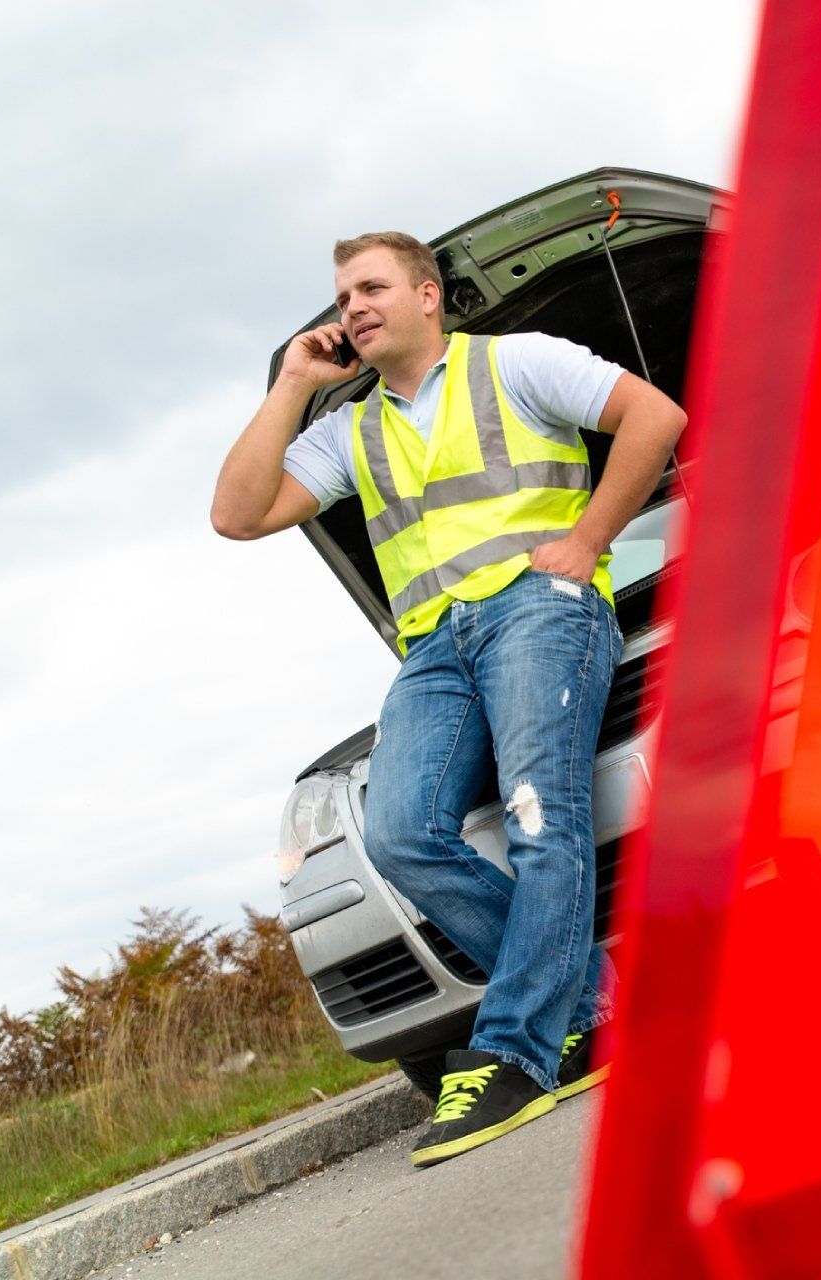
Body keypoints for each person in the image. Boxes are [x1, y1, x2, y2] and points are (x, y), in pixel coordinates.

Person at [211, 231, 686, 1167]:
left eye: (370, 288)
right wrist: (292, 386)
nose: (350, 309)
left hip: (538, 609)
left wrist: (589, 539)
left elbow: (656, 417)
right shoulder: (349, 431)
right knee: (400, 835)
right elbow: (238, 514)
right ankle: (596, 1007)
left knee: (539, 813)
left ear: (429, 295)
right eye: (341, 298)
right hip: (434, 646)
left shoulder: (519, 366)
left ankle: (513, 1050)